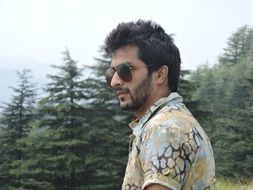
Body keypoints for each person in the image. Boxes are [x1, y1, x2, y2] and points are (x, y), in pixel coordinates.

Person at [104, 20, 216, 190]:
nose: (115, 81)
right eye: (112, 72)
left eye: (125, 70)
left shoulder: (163, 129)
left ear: (160, 75)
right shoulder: (176, 121)